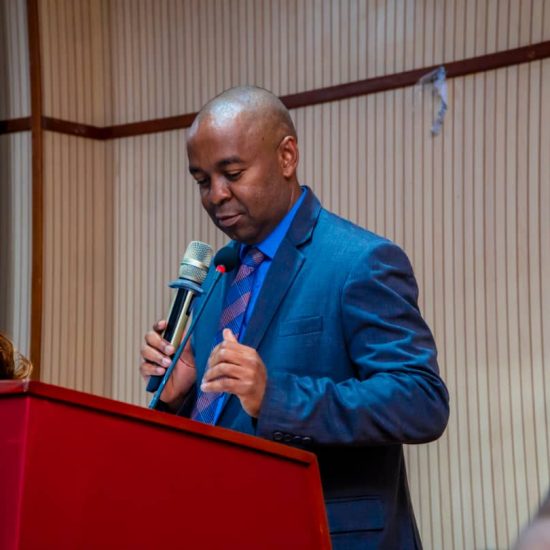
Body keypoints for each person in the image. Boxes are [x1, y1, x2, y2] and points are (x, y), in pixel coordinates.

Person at [140, 86, 449, 549]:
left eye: (232, 173)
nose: (216, 195)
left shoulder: (360, 261)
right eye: (202, 180)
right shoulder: (218, 275)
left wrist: (274, 397)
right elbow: (222, 427)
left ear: (287, 156)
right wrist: (178, 398)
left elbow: (421, 402)